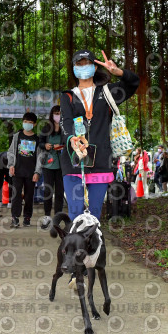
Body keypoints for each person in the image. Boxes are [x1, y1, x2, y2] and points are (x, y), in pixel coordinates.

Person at [60, 49, 139, 223]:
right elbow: (65, 121)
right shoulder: (68, 96)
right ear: (73, 68)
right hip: (73, 160)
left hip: (101, 160)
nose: (83, 67)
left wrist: (118, 72)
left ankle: (91, 240)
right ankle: (75, 240)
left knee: (94, 214)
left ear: (95, 68)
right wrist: (71, 139)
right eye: (79, 64)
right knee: (75, 212)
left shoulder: (108, 92)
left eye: (87, 63)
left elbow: (134, 83)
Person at [7, 112, 43, 228]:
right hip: (17, 171)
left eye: (30, 122)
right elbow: (11, 151)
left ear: (34, 124)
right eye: (25, 122)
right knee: (16, 194)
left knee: (29, 196)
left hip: (31, 173)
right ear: (22, 122)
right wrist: (11, 165)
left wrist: (37, 172)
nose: (27, 124)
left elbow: (40, 157)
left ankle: (27, 217)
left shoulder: (37, 139)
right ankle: (15, 217)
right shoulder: (17, 136)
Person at [39, 106, 65, 229]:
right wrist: (45, 145)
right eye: (56, 113)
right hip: (48, 164)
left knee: (60, 192)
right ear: (52, 114)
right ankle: (47, 217)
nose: (57, 115)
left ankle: (57, 218)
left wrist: (61, 146)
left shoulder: (66, 128)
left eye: (59, 113)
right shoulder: (46, 128)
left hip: (62, 165)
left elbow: (69, 143)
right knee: (48, 191)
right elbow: (40, 142)